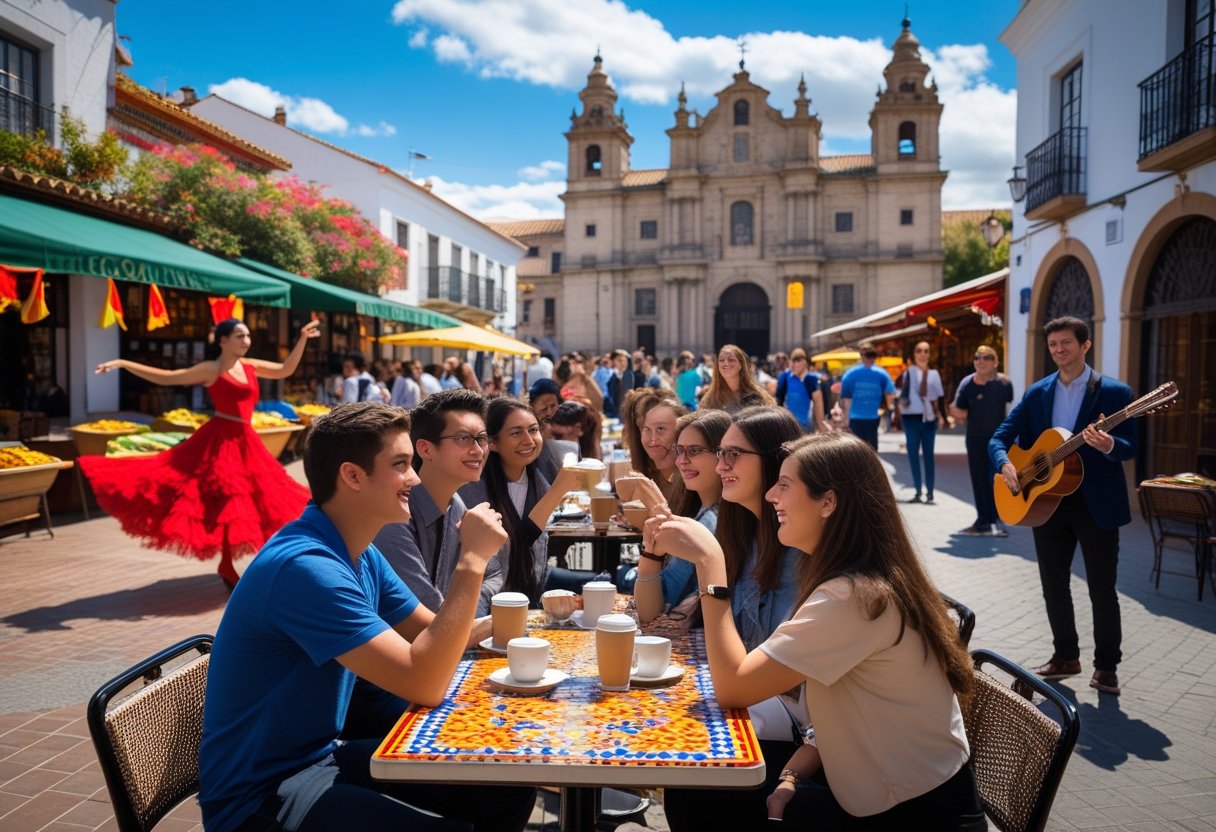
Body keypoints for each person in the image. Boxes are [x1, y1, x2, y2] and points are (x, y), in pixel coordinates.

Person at [198, 401, 535, 832]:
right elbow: (425, 682)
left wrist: (527, 628)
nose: (414, 479)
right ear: (353, 476)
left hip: (319, 757)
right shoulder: (306, 568)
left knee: (508, 785)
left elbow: (433, 633)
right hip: (261, 795)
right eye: (400, 465)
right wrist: (472, 561)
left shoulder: (361, 552)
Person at [651, 431, 985, 830]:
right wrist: (791, 776)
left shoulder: (853, 598)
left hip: (916, 816)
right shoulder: (862, 580)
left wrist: (710, 563)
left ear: (828, 502)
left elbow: (734, 687)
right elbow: (840, 717)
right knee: (697, 784)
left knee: (697, 795)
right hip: (900, 795)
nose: (772, 495)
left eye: (785, 485)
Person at [82, 318, 319, 589]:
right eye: (240, 336)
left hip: (245, 440)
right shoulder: (211, 369)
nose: (246, 341)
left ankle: (246, 563)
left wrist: (301, 338)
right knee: (219, 500)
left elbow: (285, 369)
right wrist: (123, 364)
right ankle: (229, 565)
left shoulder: (250, 366)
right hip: (219, 439)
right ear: (223, 340)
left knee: (257, 501)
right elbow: (168, 378)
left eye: (247, 336)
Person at [989, 316, 1136, 695]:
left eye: (1066, 343)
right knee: (1053, 585)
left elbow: (1132, 446)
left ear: (1085, 346)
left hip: (1096, 504)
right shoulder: (1038, 392)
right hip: (1048, 503)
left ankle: (1107, 667)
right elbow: (1000, 437)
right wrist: (1005, 463)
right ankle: (1065, 656)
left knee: (1102, 588)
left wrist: (1108, 446)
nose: (1058, 350)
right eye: (1053, 344)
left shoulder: (1116, 392)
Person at [372, 389, 504, 615]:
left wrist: (466, 614)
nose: (478, 450)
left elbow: (495, 574)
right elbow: (428, 616)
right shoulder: (395, 516)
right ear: (425, 449)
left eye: (482, 438)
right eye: (463, 438)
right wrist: (474, 557)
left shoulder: (455, 504)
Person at [459, 397, 595, 604]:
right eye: (516, 433)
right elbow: (510, 547)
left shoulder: (542, 475)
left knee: (603, 584)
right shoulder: (472, 488)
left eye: (533, 430)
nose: (529, 440)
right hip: (487, 600)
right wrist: (558, 491)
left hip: (531, 587)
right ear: (492, 443)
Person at [634, 408, 731, 622]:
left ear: (722, 455)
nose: (681, 461)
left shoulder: (709, 521)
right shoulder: (704, 510)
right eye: (679, 451)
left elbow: (657, 607)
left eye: (694, 451)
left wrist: (651, 552)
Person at [949, 345, 1014, 536]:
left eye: (986, 358)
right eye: (977, 358)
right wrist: (951, 411)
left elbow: (1010, 407)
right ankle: (983, 521)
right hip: (975, 438)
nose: (981, 361)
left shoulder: (1004, 383)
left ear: (995, 362)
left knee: (995, 480)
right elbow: (959, 410)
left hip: (998, 441)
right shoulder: (967, 383)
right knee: (979, 480)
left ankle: (995, 519)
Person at [896, 340, 947, 504]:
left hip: (928, 420)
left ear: (930, 355)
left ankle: (930, 492)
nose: (923, 354)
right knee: (912, 455)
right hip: (911, 417)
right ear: (914, 354)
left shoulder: (934, 374)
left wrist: (943, 417)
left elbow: (940, 397)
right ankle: (918, 491)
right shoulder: (907, 373)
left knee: (928, 456)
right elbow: (900, 392)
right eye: (919, 351)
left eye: (926, 351)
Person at [620, 388, 686, 505]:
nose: (653, 439)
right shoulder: (645, 479)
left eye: (661, 429)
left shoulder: (693, 481)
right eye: (647, 430)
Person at [839, 347, 895, 451]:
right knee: (871, 449)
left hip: (855, 417)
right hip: (872, 416)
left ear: (861, 356)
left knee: (856, 450)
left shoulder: (851, 373)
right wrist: (886, 408)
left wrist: (845, 418)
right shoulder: (881, 373)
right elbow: (890, 393)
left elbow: (846, 398)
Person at [698, 344, 774, 413]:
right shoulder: (709, 400)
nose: (726, 363)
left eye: (731, 360)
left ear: (741, 364)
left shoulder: (757, 396)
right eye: (721, 360)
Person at [528, 378, 578, 482]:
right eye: (544, 408)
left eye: (553, 406)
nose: (550, 412)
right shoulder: (531, 430)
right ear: (532, 406)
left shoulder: (564, 422)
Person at [775, 347, 826, 433]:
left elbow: (819, 407)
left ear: (805, 362)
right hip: (786, 426)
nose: (794, 364)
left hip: (806, 429)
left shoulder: (812, 379)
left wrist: (822, 430)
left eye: (797, 361)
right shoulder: (785, 377)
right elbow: (778, 402)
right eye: (792, 361)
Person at [604, 348, 636, 418]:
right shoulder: (610, 376)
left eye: (625, 361)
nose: (623, 363)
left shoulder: (629, 375)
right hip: (613, 413)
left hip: (627, 413)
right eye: (620, 360)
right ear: (613, 361)